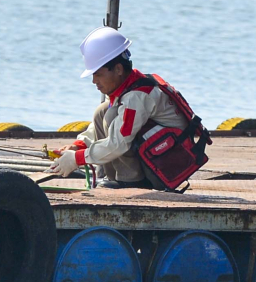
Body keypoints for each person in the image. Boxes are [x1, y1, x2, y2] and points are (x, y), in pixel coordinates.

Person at [50, 28, 207, 190]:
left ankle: (130, 181)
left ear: (118, 69)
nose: (94, 81)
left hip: (170, 165)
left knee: (111, 118)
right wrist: (79, 145)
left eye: (98, 74)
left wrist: (77, 158)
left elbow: (118, 143)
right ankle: (110, 176)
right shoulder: (129, 87)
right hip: (159, 155)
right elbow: (104, 123)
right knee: (102, 112)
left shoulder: (136, 98)